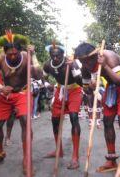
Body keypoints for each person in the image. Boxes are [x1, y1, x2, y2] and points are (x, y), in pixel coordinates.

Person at [0, 31, 42, 175]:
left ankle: (27, 160)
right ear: (4, 52)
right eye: (10, 54)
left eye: (16, 53)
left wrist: (33, 55)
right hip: (6, 94)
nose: (13, 56)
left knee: (25, 122)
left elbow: (38, 75)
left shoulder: (27, 57)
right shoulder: (0, 58)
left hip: (22, 92)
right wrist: (0, 87)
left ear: (20, 51)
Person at [75, 42, 120, 175]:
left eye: (87, 61)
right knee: (107, 121)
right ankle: (111, 159)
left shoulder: (108, 56)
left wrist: (105, 66)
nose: (85, 65)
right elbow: (87, 91)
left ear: (94, 56)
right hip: (112, 87)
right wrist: (90, 87)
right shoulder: (85, 68)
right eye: (82, 62)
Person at [42, 42, 83, 170]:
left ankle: (75, 157)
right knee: (55, 120)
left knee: (74, 117)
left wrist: (73, 68)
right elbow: (43, 78)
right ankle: (58, 150)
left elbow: (81, 82)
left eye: (58, 56)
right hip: (60, 90)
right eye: (52, 56)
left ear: (63, 54)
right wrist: (47, 84)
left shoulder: (71, 63)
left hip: (75, 90)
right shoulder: (48, 64)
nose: (55, 58)